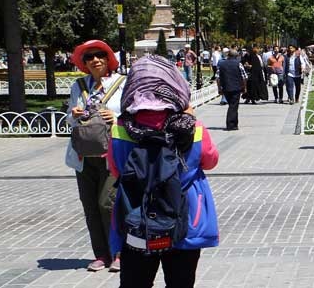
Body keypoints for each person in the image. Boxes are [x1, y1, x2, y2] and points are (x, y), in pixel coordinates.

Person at [107, 55, 219, 287]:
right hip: (185, 217)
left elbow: (116, 170)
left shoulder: (120, 129)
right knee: (181, 282)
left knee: (135, 281)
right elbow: (209, 161)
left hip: (137, 217)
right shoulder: (193, 127)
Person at [66, 40, 126, 272]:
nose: (95, 60)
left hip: (111, 154)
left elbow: (133, 113)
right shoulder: (78, 86)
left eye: (100, 55)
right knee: (90, 206)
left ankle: (119, 252)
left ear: (108, 58)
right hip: (83, 158)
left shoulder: (122, 84)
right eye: (89, 57)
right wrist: (73, 114)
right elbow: (70, 121)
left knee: (108, 205)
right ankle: (101, 254)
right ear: (85, 63)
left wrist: (116, 116)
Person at [217, 49, 246, 130]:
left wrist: (219, 88)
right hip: (236, 88)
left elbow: (217, 78)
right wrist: (244, 87)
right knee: (233, 106)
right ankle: (230, 124)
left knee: (232, 105)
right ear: (235, 56)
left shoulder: (222, 64)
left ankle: (235, 124)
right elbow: (244, 77)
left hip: (226, 88)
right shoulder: (238, 64)